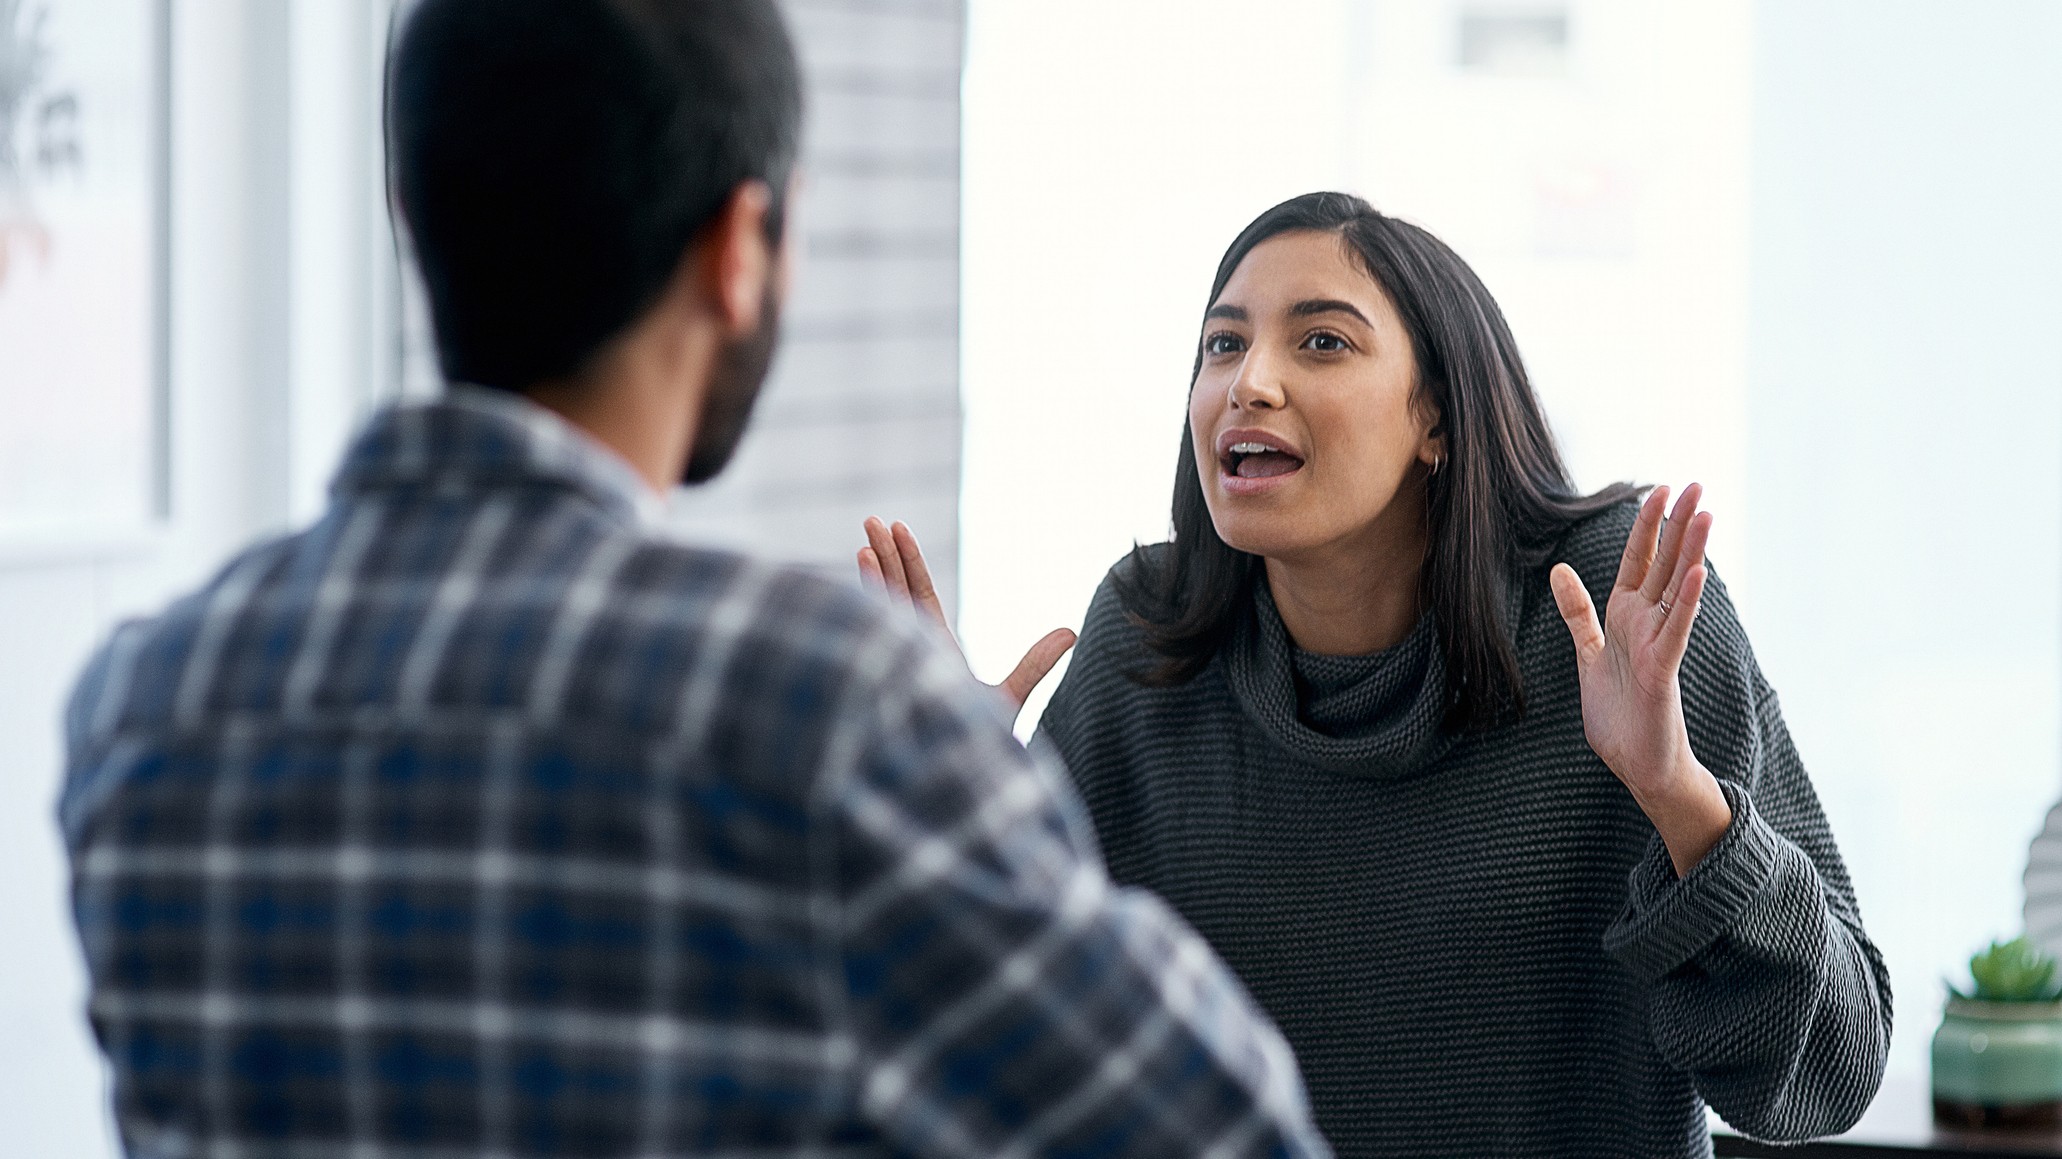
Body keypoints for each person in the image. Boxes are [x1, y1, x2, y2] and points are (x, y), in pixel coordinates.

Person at [57, 4, 1334, 1156]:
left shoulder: (136, 705)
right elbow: (1227, 1132)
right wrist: (968, 778)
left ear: (413, 209)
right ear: (738, 246)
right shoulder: (819, 707)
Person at [859, 192, 1892, 1158]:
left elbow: (1826, 1076)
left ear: (1435, 417)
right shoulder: (1147, 644)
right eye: (1223, 343)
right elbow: (1009, 1060)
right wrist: (959, 823)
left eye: (1321, 341)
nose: (1248, 382)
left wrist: (1676, 797)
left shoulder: (1616, 620)